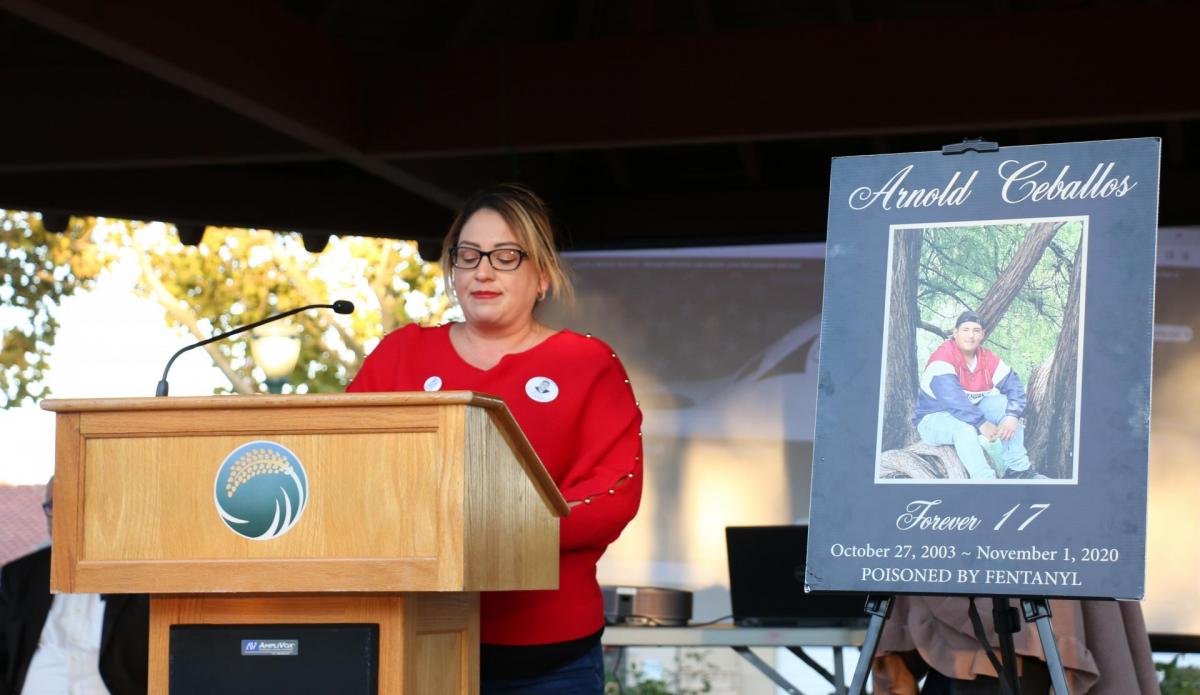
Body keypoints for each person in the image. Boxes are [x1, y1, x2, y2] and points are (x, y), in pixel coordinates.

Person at [346, 183, 643, 694]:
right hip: (413, 639)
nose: (483, 271)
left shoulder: (587, 362)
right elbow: (344, 465)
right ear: (453, 272)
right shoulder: (400, 355)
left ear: (543, 276)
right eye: (468, 256)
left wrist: (483, 531)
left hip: (549, 660)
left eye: (506, 256)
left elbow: (613, 494)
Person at [0, 478, 149, 695]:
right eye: (53, 506)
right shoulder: (18, 576)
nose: (62, 516)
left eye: (74, 504)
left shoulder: (140, 576)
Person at [912, 311, 1038, 480]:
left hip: (971, 411)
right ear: (955, 333)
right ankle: (985, 480)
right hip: (933, 419)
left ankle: (1018, 470)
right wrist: (982, 423)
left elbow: (1013, 385)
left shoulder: (987, 357)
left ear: (982, 334)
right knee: (964, 428)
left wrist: (1013, 416)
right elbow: (953, 400)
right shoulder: (942, 358)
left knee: (1006, 405)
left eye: (976, 330)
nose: (971, 335)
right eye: (965, 330)